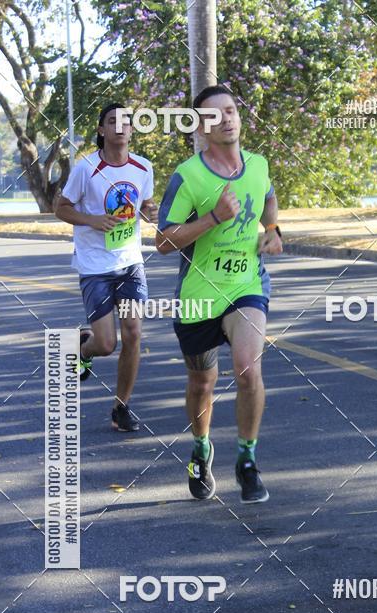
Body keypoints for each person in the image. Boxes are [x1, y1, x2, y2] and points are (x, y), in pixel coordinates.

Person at [156, 85, 283, 503]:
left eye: (230, 110)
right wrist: (213, 218)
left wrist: (273, 230)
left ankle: (247, 461)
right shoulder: (187, 176)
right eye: (214, 116)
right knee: (202, 383)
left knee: (248, 368)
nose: (226, 119)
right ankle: (201, 447)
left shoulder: (259, 164)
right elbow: (163, 241)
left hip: (247, 285)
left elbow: (267, 199)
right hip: (198, 296)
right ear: (201, 128)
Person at [55, 103, 158, 432]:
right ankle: (83, 345)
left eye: (126, 121)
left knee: (133, 333)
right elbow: (61, 207)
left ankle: (121, 407)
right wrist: (92, 220)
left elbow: (144, 203)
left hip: (130, 263)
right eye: (112, 121)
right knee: (106, 344)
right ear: (101, 130)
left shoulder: (143, 167)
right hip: (95, 266)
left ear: (132, 130)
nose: (120, 126)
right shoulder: (87, 168)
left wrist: (151, 212)